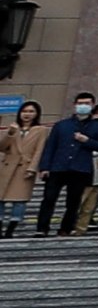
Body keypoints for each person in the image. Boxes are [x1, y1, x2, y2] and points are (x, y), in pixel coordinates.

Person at [35, 94, 98, 237]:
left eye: (86, 103)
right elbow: (50, 146)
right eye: (80, 103)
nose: (83, 106)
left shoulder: (97, 126)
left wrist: (86, 140)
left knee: (73, 202)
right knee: (49, 198)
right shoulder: (62, 125)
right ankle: (42, 228)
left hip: (80, 168)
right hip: (58, 167)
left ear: (92, 105)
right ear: (74, 105)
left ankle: (65, 228)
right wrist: (44, 167)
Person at [0, 100, 41, 234]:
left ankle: (11, 229)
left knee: (19, 200)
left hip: (24, 167)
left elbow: (39, 150)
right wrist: (10, 133)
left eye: (31, 111)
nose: (27, 114)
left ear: (36, 114)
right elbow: (2, 147)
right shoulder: (14, 128)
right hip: (7, 166)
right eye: (24, 111)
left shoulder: (41, 130)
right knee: (1, 199)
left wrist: (32, 168)